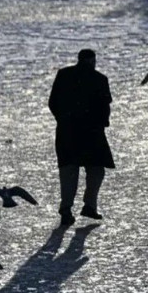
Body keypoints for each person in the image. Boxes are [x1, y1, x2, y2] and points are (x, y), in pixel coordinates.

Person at [48, 49, 114, 226]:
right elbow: (105, 106)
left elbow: (52, 102)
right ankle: (89, 205)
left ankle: (66, 209)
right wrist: (102, 123)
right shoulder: (100, 79)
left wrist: (63, 120)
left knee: (68, 172)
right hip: (92, 133)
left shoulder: (63, 75)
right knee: (96, 170)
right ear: (92, 61)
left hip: (67, 132)